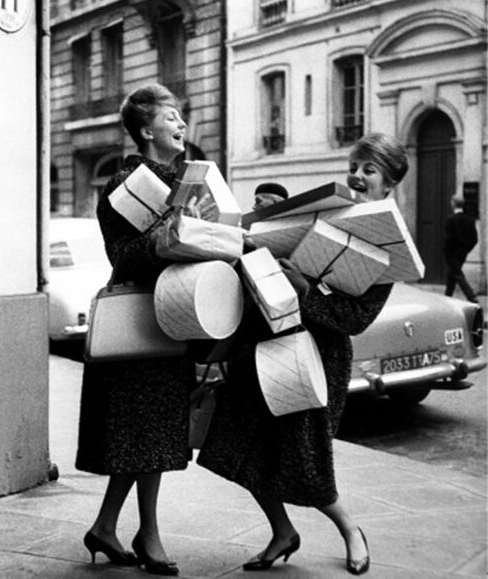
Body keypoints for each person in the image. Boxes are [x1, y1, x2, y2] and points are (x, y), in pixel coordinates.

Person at [197, 132, 409, 575]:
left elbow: (354, 319)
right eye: (354, 165)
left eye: (369, 170)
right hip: (266, 341)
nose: (356, 175)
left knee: (303, 456)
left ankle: (350, 529)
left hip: (318, 357)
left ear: (389, 184)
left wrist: (306, 289)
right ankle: (282, 532)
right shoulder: (325, 215)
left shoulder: (390, 246)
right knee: (238, 446)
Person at [76, 84, 193, 575]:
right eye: (171, 117)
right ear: (147, 131)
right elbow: (124, 256)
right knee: (147, 435)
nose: (181, 124)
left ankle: (109, 527)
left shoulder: (181, 177)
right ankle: (148, 535)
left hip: (171, 313)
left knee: (150, 436)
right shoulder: (129, 182)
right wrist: (172, 232)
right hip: (140, 318)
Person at [444, 194, 478, 303]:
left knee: (458, 275)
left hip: (452, 254)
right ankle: (447, 296)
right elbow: (474, 239)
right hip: (463, 253)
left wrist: (447, 253)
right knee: (452, 274)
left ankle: (472, 297)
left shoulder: (450, 220)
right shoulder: (470, 220)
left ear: (453, 204)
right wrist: (466, 250)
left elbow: (447, 240)